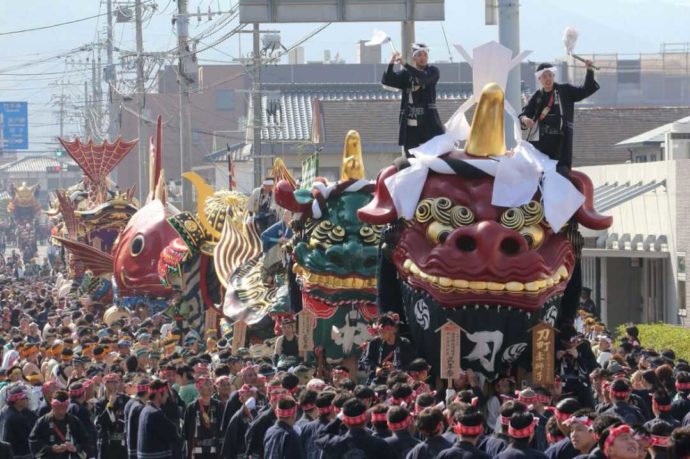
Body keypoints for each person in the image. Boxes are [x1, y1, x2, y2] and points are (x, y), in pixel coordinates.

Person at [519, 60, 599, 175]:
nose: (548, 79)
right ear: (539, 79)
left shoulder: (565, 91)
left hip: (561, 142)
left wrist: (589, 70)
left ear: (553, 76)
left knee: (561, 172)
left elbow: (584, 91)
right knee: (541, 173)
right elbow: (524, 114)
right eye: (544, 76)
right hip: (542, 143)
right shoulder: (537, 96)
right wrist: (525, 120)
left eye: (550, 75)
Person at [381, 43, 444, 158]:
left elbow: (423, 79)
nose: (422, 58)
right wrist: (392, 62)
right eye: (419, 55)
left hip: (428, 123)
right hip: (410, 124)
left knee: (430, 157)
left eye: (425, 55)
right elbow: (388, 80)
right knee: (411, 158)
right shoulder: (407, 75)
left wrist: (405, 64)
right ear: (414, 58)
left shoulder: (433, 71)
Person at [29, 390, 90, 459]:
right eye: (57, 407)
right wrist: (50, 448)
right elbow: (33, 441)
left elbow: (85, 441)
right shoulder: (43, 421)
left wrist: (75, 448)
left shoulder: (74, 421)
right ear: (52, 405)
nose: (61, 411)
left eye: (64, 407)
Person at [361, 313, 415, 382]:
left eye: (382, 332)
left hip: (399, 379)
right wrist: (376, 368)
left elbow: (411, 364)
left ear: (391, 329)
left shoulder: (404, 343)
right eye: (379, 332)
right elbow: (366, 361)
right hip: (378, 379)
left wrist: (395, 369)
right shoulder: (374, 342)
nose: (380, 334)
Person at [137, 380, 181, 459]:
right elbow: (172, 434)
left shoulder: (145, 410)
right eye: (166, 393)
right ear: (158, 394)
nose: (167, 396)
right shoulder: (155, 414)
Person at [182, 376, 222, 459]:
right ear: (199, 388)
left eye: (211, 384)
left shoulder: (218, 405)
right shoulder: (192, 407)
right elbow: (186, 433)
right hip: (197, 451)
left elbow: (222, 428)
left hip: (215, 450)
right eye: (207, 384)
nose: (210, 386)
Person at [0, 385, 37, 459]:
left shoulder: (4, 410)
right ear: (18, 401)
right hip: (19, 455)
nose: (28, 399)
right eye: (25, 398)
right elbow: (30, 439)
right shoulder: (17, 418)